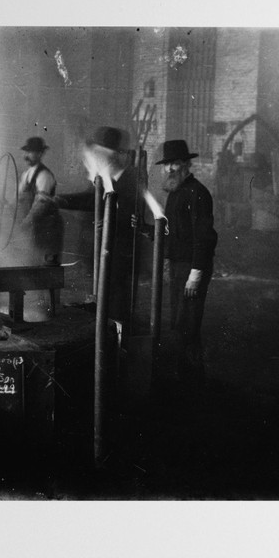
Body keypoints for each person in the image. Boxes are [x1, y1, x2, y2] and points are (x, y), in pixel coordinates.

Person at [135, 139, 218, 387]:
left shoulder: (198, 193)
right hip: (180, 266)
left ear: (185, 164)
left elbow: (205, 238)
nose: (170, 169)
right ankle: (182, 377)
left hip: (192, 268)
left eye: (175, 164)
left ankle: (194, 383)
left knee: (188, 325)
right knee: (178, 323)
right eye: (167, 164)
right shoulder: (175, 194)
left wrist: (196, 274)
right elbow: (171, 232)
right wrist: (147, 230)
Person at [55, 126, 140, 322]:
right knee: (104, 300)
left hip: (120, 254)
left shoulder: (129, 181)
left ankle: (119, 340)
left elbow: (130, 217)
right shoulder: (102, 178)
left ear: (114, 156)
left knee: (117, 303)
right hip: (103, 252)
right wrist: (60, 200)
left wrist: (109, 223)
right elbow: (90, 200)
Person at [17, 136, 64, 265]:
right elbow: (20, 200)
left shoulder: (44, 175)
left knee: (46, 268)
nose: (26, 155)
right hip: (34, 229)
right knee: (31, 263)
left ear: (40, 154)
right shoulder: (26, 175)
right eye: (25, 152)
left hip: (47, 230)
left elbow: (41, 205)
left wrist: (25, 223)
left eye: (30, 152)